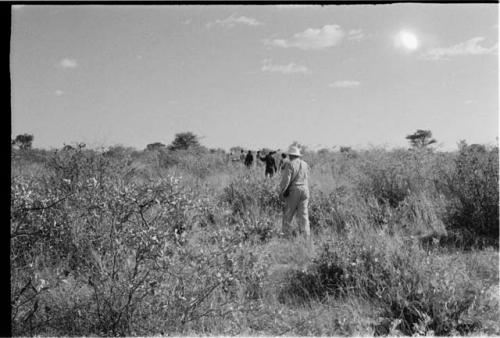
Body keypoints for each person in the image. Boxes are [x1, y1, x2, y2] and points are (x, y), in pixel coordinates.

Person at [278, 145, 310, 241]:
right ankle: (306, 238)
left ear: (291, 155)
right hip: (305, 190)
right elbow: (306, 178)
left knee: (288, 215)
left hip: (294, 191)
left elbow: (286, 181)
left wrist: (281, 192)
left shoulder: (290, 164)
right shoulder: (305, 164)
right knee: (304, 216)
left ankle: (285, 237)